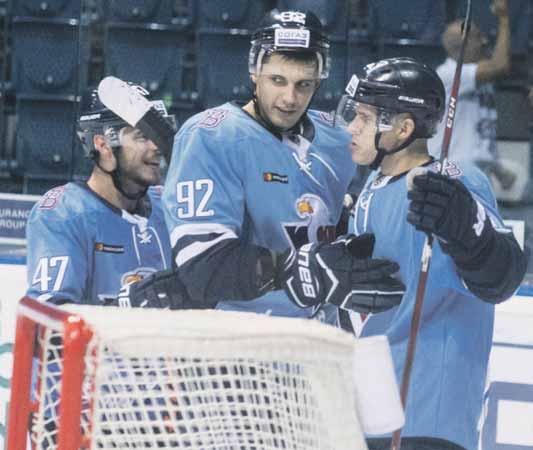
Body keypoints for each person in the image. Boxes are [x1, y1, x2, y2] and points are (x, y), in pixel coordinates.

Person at [118, 9, 406, 323]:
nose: (290, 98)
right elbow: (204, 267)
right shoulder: (211, 136)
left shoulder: (339, 138)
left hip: (320, 335)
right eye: (277, 80)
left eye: (304, 84)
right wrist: (299, 271)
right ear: (254, 71)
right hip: (241, 340)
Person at [332, 57, 527, 450]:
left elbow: (502, 276)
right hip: (374, 406)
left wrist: (469, 234)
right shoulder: (372, 186)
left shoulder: (452, 182)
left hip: (431, 413)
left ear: (404, 129)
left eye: (366, 119)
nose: (352, 127)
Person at [26, 77, 176, 305]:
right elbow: (50, 317)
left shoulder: (169, 206)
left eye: (156, 137)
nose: (156, 147)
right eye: (142, 136)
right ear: (103, 144)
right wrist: (128, 304)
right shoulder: (62, 214)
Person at [428, 0, 516, 190]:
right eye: (477, 37)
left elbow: (480, 135)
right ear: (462, 46)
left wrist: (497, 170)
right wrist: (503, 19)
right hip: (454, 173)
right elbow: (499, 66)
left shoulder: (480, 80)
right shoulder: (449, 74)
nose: (484, 41)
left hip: (477, 174)